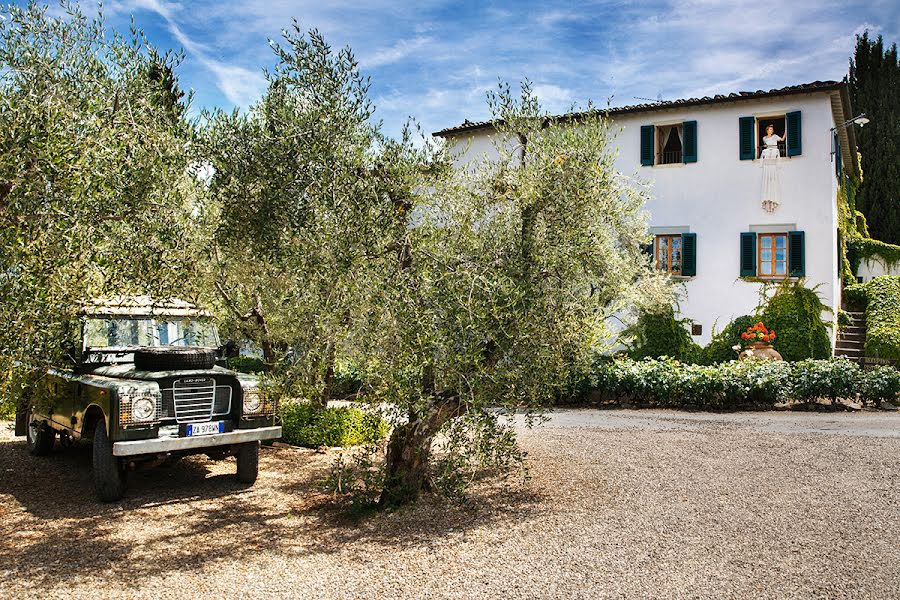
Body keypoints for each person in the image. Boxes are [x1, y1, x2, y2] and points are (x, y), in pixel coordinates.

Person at [760, 124, 784, 212]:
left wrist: (786, 132)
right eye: (770, 129)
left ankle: (773, 200)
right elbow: (765, 147)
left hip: (773, 160)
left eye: (772, 129)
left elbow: (782, 140)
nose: (772, 130)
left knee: (773, 182)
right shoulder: (764, 138)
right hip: (767, 160)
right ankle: (767, 201)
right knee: (767, 182)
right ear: (767, 130)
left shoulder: (775, 136)